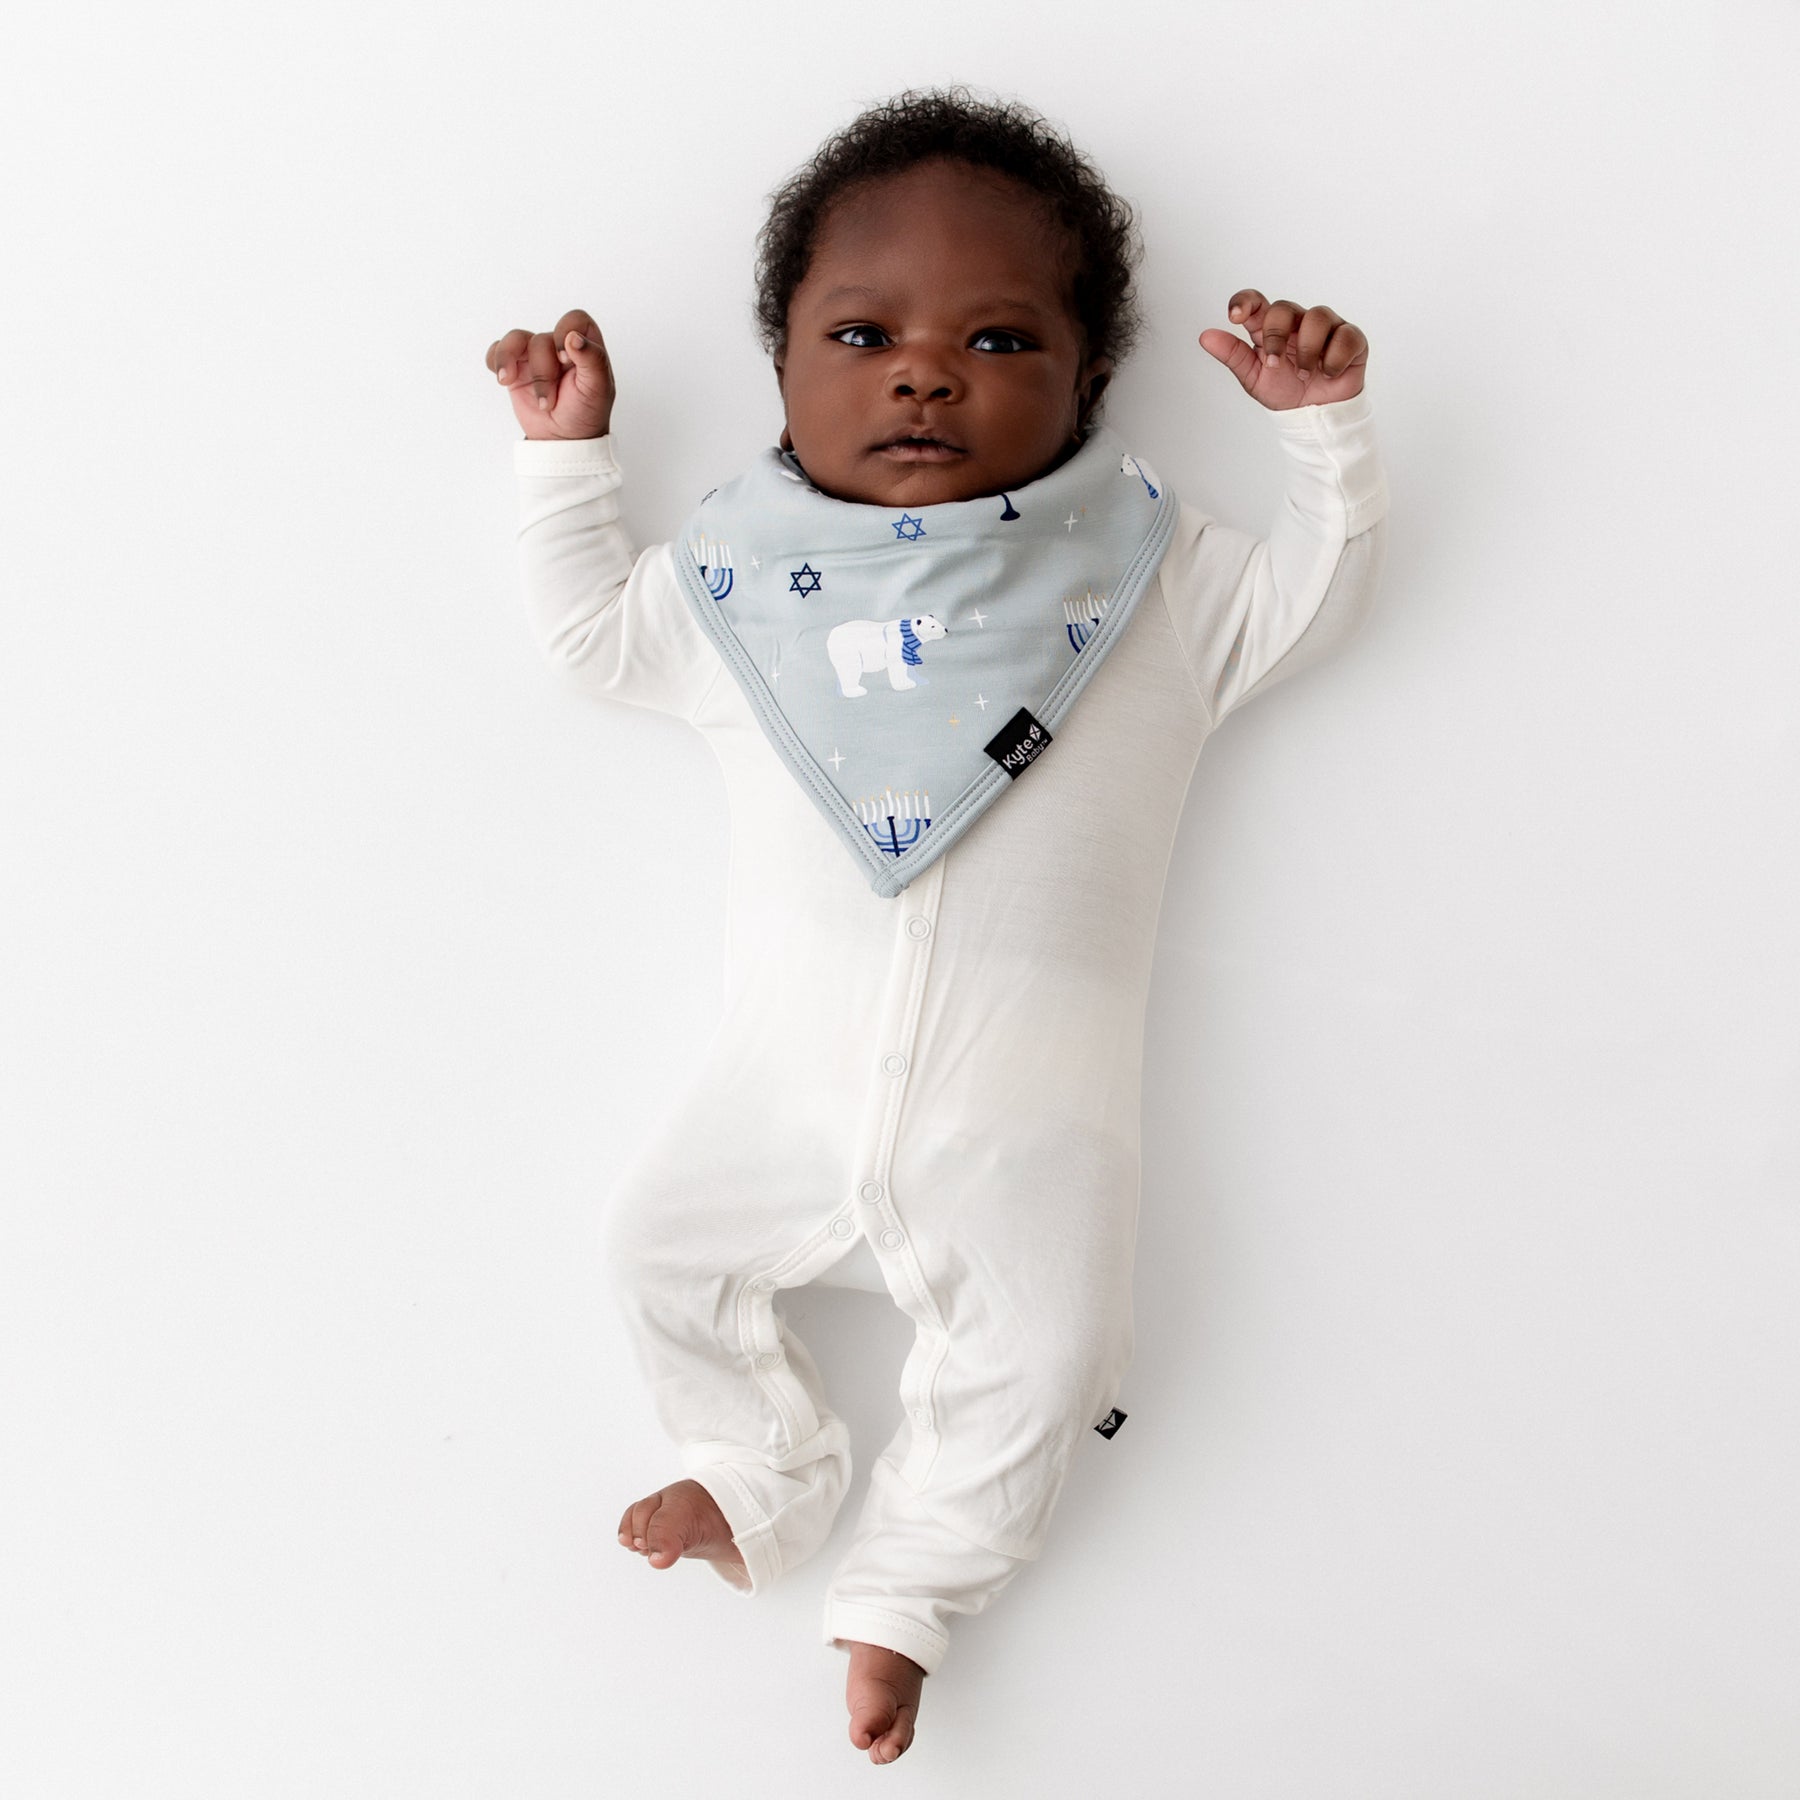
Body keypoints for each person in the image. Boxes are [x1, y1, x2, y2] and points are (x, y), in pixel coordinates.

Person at [485, 86, 1388, 1766]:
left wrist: (1322, 434)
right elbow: (594, 644)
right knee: (654, 1249)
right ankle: (758, 1470)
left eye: (997, 335)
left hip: (1028, 1127)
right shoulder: (736, 590)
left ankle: (904, 1598)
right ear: (782, 372)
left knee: (1044, 1355)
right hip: (779, 1096)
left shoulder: (1158, 584)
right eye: (862, 331)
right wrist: (568, 459)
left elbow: (1313, 604)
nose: (923, 369)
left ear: (1086, 380)